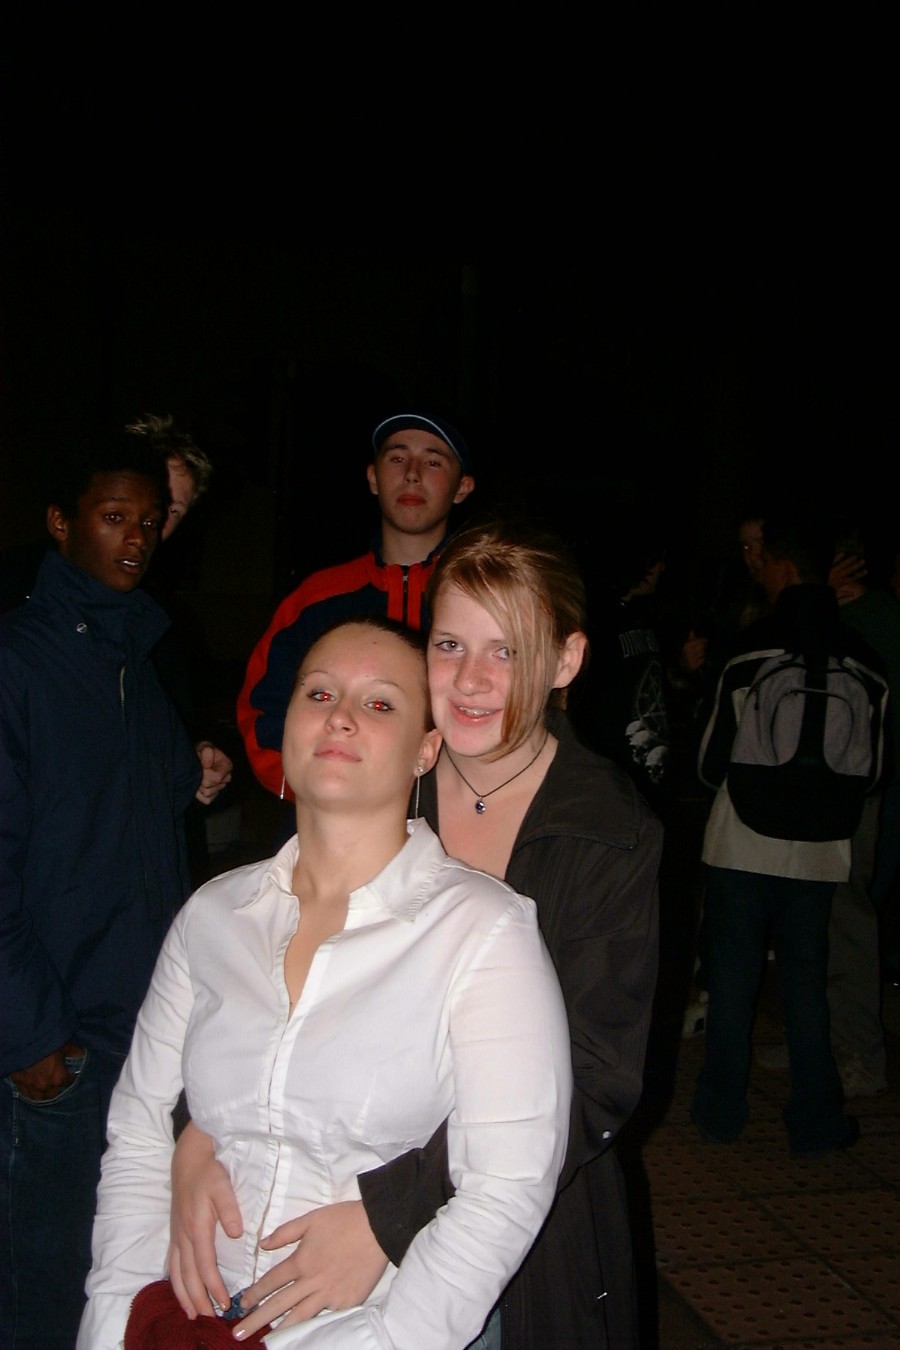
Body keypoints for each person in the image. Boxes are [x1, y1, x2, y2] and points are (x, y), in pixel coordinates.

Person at [169, 518, 662, 1349]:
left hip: (514, 1236)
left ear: (567, 660)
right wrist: (195, 1129)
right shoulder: (385, 772)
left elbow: (595, 1078)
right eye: (449, 645)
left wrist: (390, 1215)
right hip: (316, 1195)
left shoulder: (607, 831)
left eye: (507, 652)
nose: (469, 681)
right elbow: (255, 965)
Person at [77, 616, 573, 1350]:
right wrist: (114, 1318)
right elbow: (138, 1130)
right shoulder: (214, 916)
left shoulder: (481, 930)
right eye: (319, 694)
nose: (340, 716)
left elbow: (506, 1186)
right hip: (186, 1323)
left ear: (425, 749)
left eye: (379, 703)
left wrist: (383, 1338)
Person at [0, 432, 233, 1350]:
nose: (136, 538)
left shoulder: (136, 652)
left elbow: (130, 812)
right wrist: (30, 1034)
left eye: (149, 521)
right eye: (112, 517)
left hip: (137, 1029)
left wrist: (191, 768)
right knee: (39, 1282)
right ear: (61, 524)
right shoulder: (20, 661)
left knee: (113, 1271)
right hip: (58, 1037)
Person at [690, 506, 889, 1158]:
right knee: (807, 981)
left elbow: (708, 762)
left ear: (780, 567)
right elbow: (873, 773)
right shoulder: (864, 660)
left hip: (742, 841)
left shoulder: (749, 650)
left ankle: (721, 1114)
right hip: (820, 850)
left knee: (734, 978)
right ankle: (817, 1121)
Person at [237, 411, 475, 811]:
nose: (412, 474)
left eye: (433, 462)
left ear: (462, 487)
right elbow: (262, 711)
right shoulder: (316, 599)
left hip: (456, 823)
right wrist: (321, 795)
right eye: (397, 458)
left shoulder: (483, 598)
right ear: (372, 477)